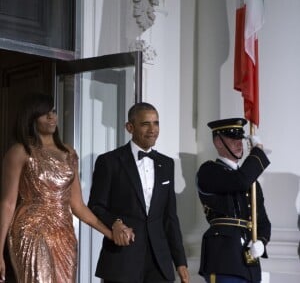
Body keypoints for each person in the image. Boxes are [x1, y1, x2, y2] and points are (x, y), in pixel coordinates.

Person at [0, 93, 113, 283]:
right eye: (45, 114)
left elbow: (77, 205)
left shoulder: (69, 153)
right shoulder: (20, 151)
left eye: (53, 111)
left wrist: (108, 232)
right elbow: (8, 203)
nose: (52, 117)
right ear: (31, 118)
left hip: (64, 232)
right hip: (32, 230)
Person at [88, 102, 189, 283]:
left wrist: (180, 262)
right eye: (145, 124)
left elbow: (170, 217)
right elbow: (96, 206)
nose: (153, 130)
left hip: (160, 263)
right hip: (122, 260)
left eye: (156, 123)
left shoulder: (167, 164)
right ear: (130, 127)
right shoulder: (109, 161)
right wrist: (115, 223)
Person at [196, 118, 271, 283]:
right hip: (224, 259)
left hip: (250, 264)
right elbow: (240, 180)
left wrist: (262, 243)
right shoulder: (208, 171)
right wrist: (257, 152)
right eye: (233, 139)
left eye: (241, 139)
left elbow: (264, 222)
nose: (239, 143)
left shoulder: (252, 182)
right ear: (218, 142)